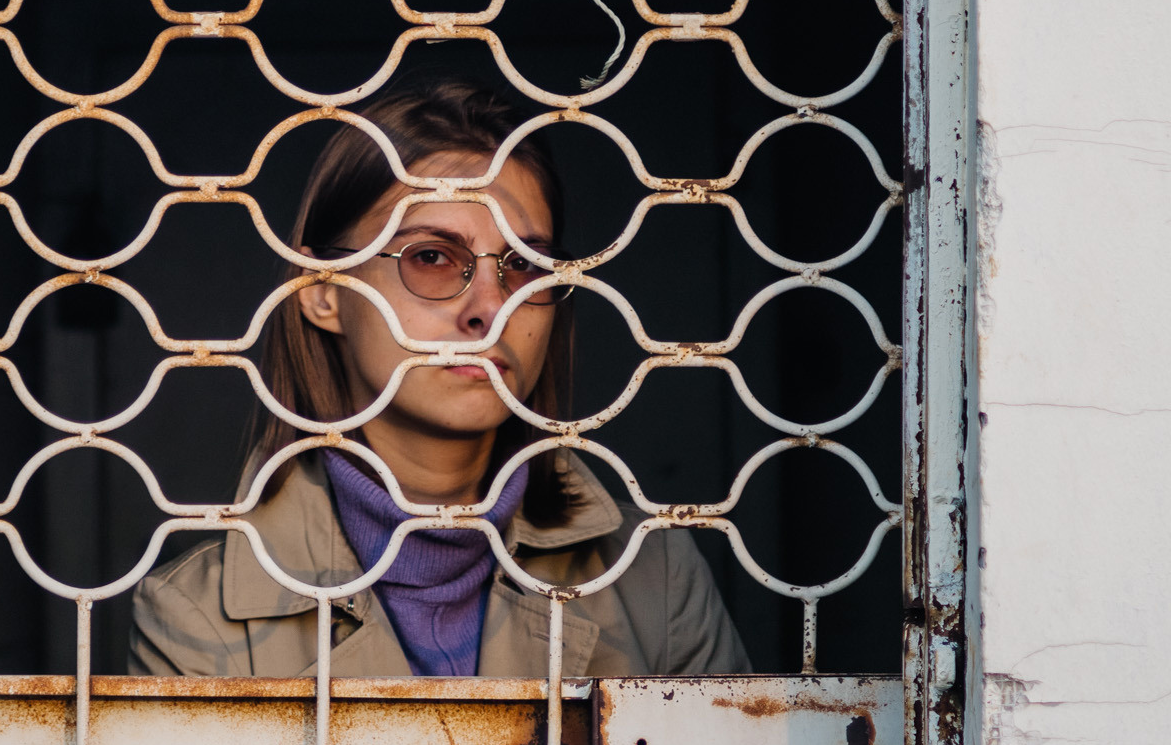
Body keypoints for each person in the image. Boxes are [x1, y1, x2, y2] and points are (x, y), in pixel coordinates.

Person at [129, 73, 748, 682]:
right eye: (431, 257)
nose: (490, 305)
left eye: (524, 266)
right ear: (321, 293)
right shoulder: (196, 613)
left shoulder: (655, 574)